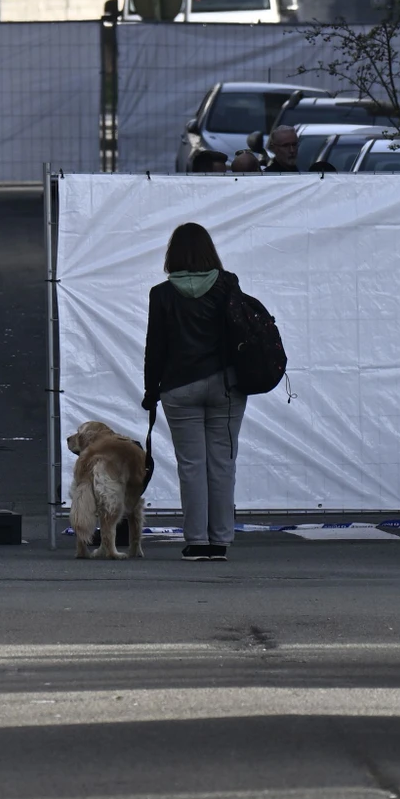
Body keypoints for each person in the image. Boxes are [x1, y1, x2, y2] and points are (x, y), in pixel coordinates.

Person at [142, 221, 251, 560]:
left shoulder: (161, 294)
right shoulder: (227, 285)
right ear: (209, 252)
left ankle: (197, 542)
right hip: (226, 386)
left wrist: (150, 391)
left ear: (172, 255)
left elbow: (155, 348)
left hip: (180, 387)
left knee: (191, 465)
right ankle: (220, 541)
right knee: (222, 463)